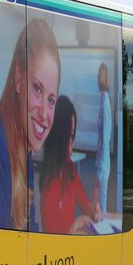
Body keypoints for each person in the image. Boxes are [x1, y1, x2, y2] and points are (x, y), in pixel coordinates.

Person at [0, 17, 61, 229]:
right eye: (37, 88)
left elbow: (30, 235)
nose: (44, 113)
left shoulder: (21, 150)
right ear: (19, 78)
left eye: (51, 100)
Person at [39, 96, 97, 234]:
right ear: (59, 137)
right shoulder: (49, 185)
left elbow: (84, 204)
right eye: (70, 136)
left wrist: (94, 210)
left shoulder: (69, 168)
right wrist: (75, 225)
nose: (73, 143)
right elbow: (51, 244)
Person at [94, 61, 113, 214]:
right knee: (99, 204)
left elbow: (106, 138)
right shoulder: (102, 100)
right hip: (100, 161)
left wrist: (100, 168)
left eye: (100, 75)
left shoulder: (105, 102)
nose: (97, 78)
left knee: (102, 204)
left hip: (103, 164)